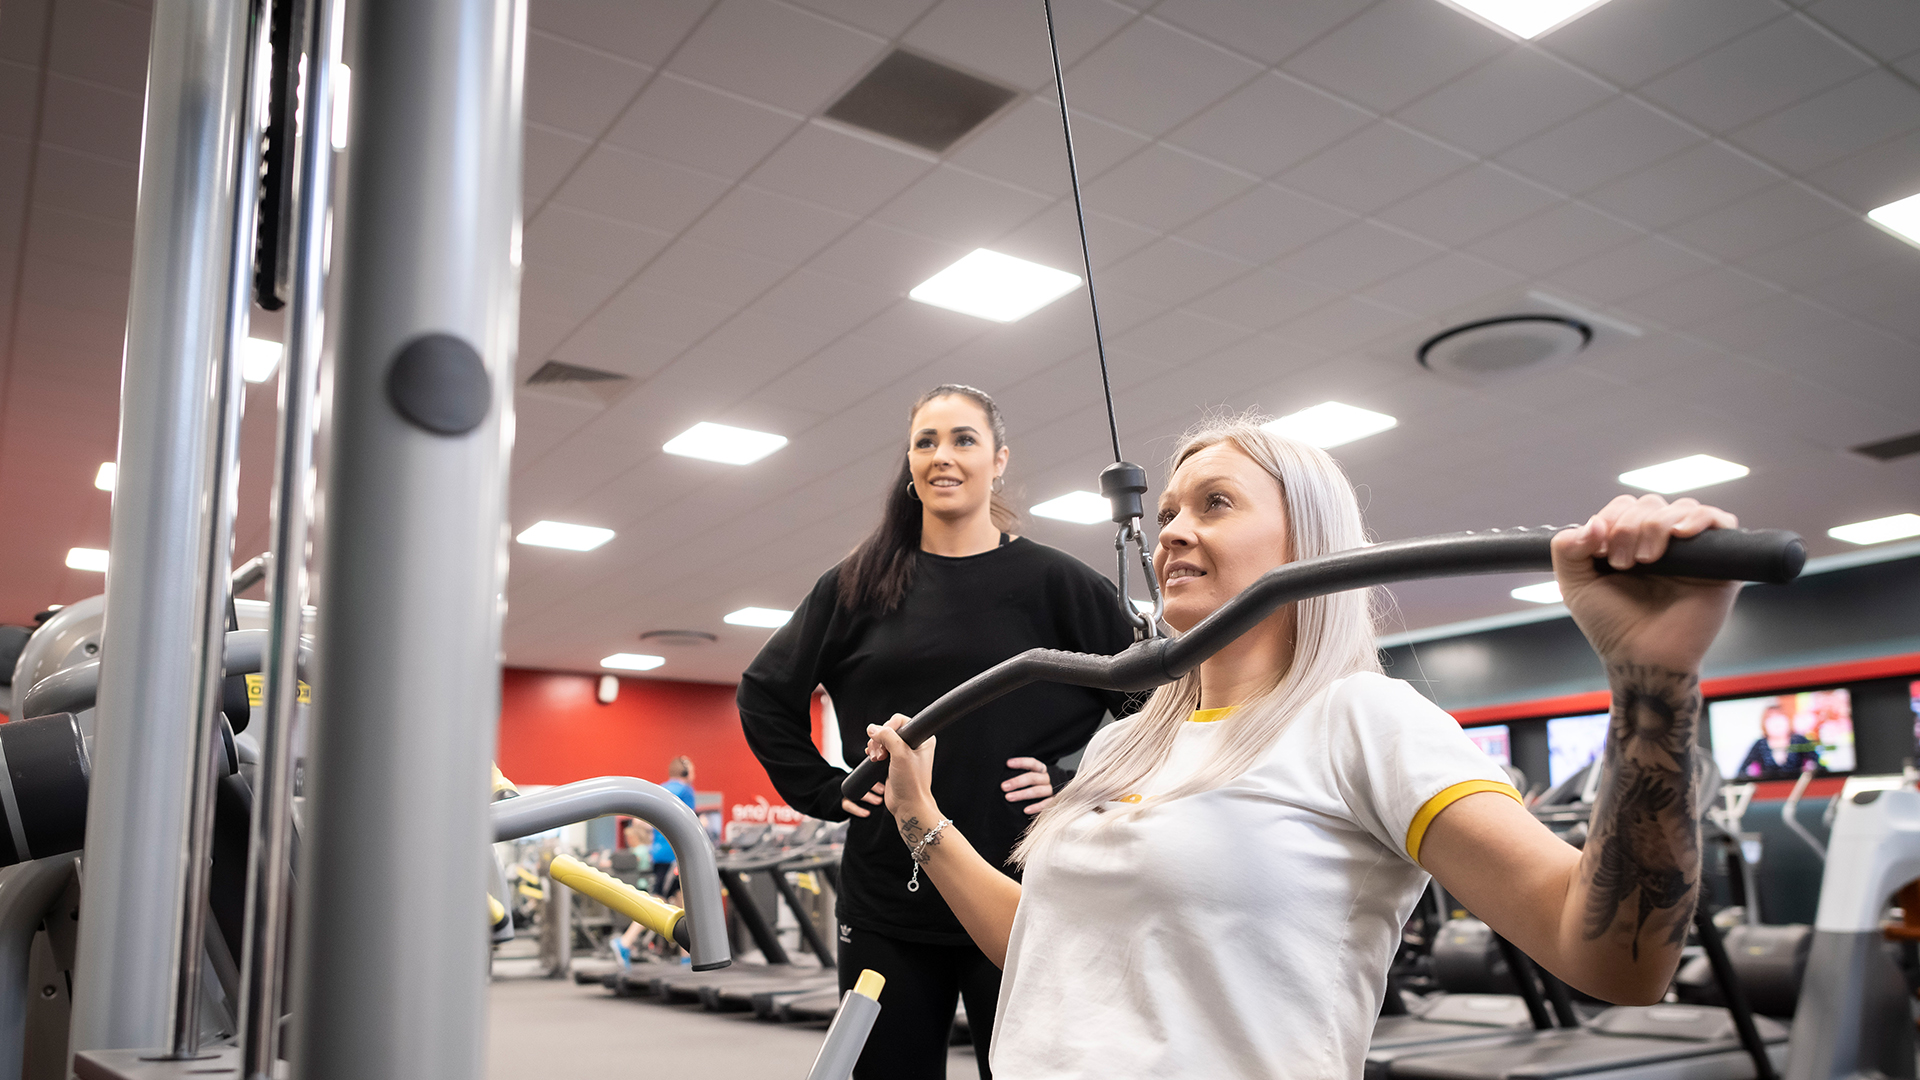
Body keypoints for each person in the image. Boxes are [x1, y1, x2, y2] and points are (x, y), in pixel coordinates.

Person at [861, 414, 1743, 1079]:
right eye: (1167, 511)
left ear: (1307, 543)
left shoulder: (1363, 720)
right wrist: (919, 819)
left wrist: (1651, 683)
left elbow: (1613, 961)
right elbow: (1052, 947)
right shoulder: (1119, 748)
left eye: (1215, 504)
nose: (1169, 531)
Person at [739, 384, 1140, 1080]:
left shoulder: (1059, 584)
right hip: (888, 900)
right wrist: (826, 790)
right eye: (925, 441)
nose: (941, 456)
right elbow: (765, 692)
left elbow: (1158, 714)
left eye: (962, 439)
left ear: (999, 459)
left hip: (1022, 896)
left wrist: (1079, 788)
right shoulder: (858, 585)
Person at [649, 756, 695, 897]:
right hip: (674, 854)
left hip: (658, 853)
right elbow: (689, 822)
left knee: (662, 894)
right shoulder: (686, 791)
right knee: (662, 898)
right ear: (685, 772)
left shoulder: (661, 789)